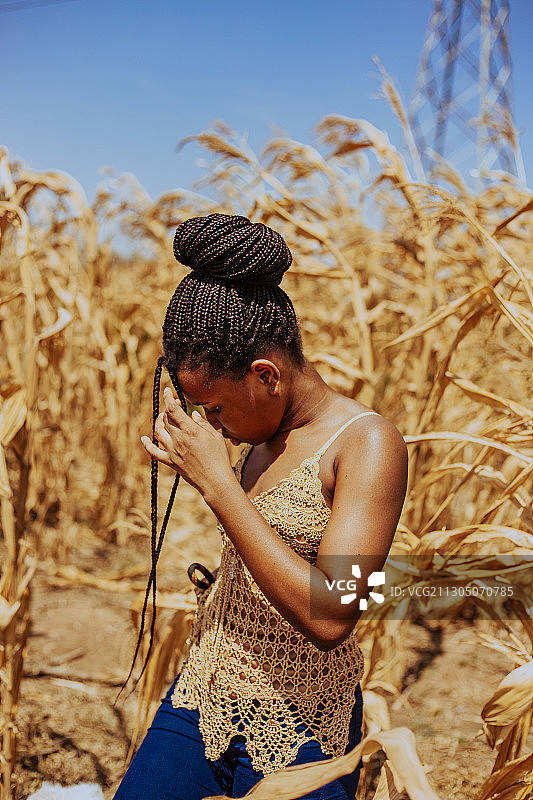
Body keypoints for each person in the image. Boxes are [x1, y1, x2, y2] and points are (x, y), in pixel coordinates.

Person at [113, 213, 408, 800]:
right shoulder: (258, 433)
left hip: (303, 719)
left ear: (266, 375)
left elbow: (333, 615)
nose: (212, 426)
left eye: (216, 409)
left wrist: (219, 488)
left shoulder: (367, 443)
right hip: (205, 688)